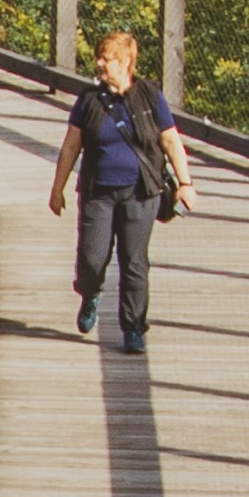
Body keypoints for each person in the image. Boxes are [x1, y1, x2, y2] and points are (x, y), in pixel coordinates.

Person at [47, 24, 196, 353]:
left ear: (126, 62)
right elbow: (71, 146)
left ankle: (133, 328)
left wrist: (184, 183)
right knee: (92, 257)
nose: (100, 63)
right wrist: (57, 188)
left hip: (140, 193)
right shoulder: (89, 101)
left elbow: (170, 139)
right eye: (99, 57)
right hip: (98, 192)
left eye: (107, 58)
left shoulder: (149, 96)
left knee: (134, 262)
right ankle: (90, 294)